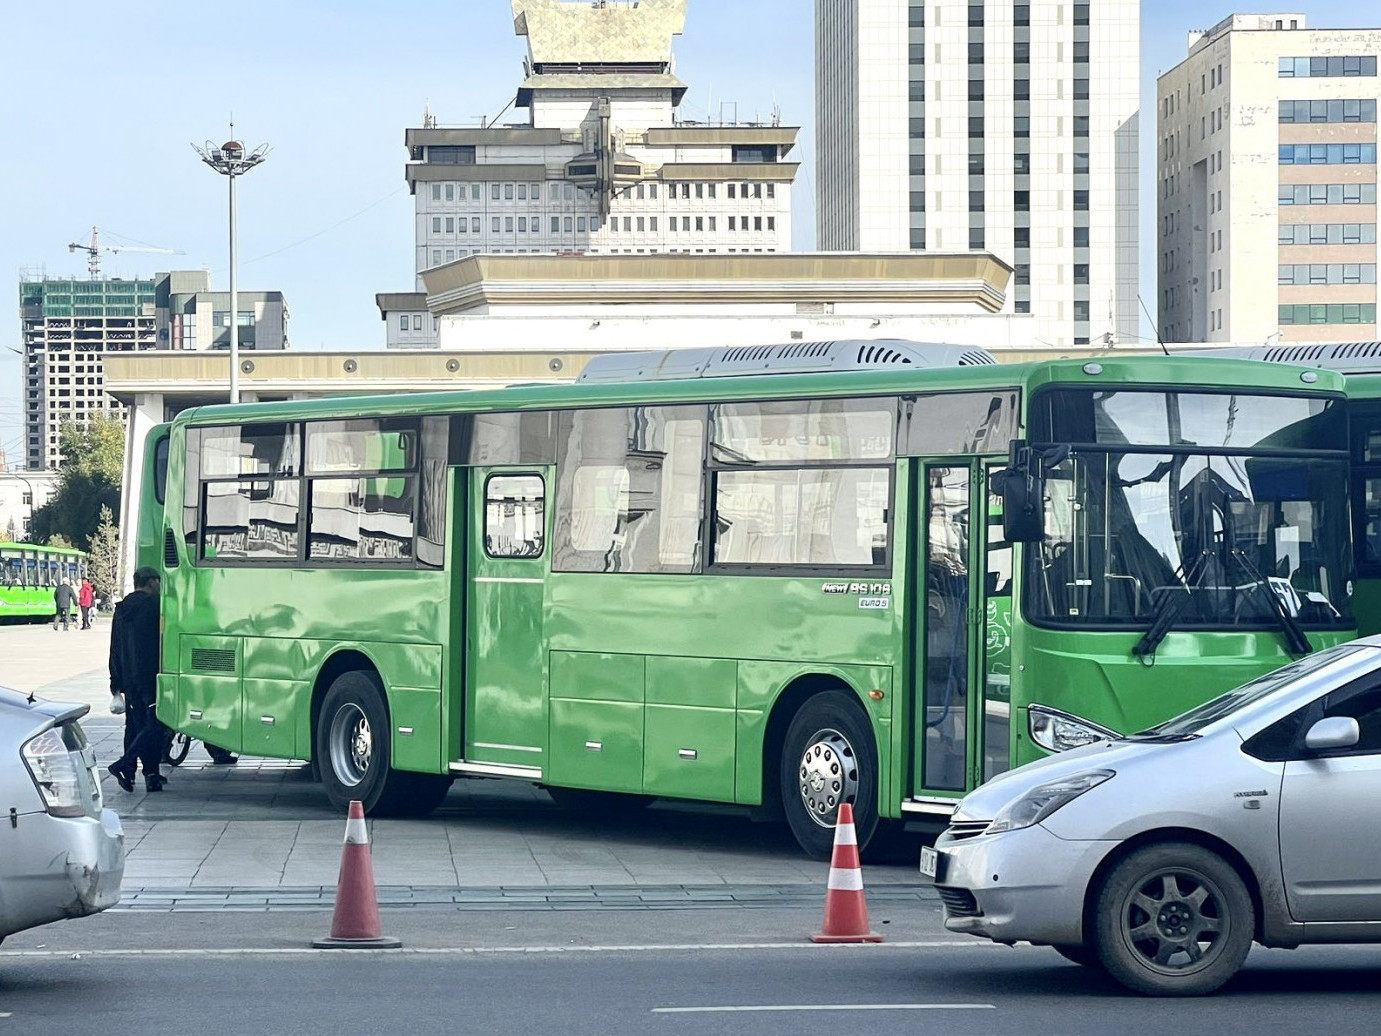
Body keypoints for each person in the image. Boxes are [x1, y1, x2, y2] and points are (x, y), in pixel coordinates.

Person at [107, 567, 168, 792]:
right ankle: (143, 771)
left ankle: (131, 771)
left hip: (129, 678)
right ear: (152, 582)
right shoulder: (154, 605)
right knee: (156, 724)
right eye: (158, 582)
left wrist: (115, 680)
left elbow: (115, 646)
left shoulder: (121, 609)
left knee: (134, 725)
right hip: (150, 675)